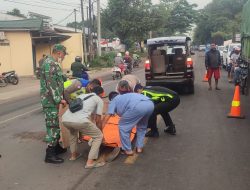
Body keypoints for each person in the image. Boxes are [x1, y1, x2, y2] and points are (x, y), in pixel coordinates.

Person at [104, 80, 154, 155]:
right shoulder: (133, 94)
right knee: (141, 127)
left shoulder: (114, 100)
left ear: (118, 89)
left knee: (123, 126)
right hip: (149, 104)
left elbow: (107, 116)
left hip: (137, 107)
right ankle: (139, 148)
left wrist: (100, 127)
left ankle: (127, 150)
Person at [62, 86, 105, 169]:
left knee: (73, 134)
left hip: (65, 120)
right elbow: (98, 120)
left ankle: (73, 155)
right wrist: (100, 133)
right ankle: (90, 162)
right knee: (98, 136)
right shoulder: (98, 99)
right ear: (101, 94)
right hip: (80, 121)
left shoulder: (81, 96)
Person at [40, 44, 68, 164]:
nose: (64, 57)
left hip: (52, 101)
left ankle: (56, 147)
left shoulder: (51, 63)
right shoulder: (50, 63)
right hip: (51, 102)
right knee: (53, 127)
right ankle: (50, 154)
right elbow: (51, 84)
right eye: (64, 54)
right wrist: (58, 99)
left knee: (56, 124)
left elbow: (57, 80)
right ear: (59, 53)